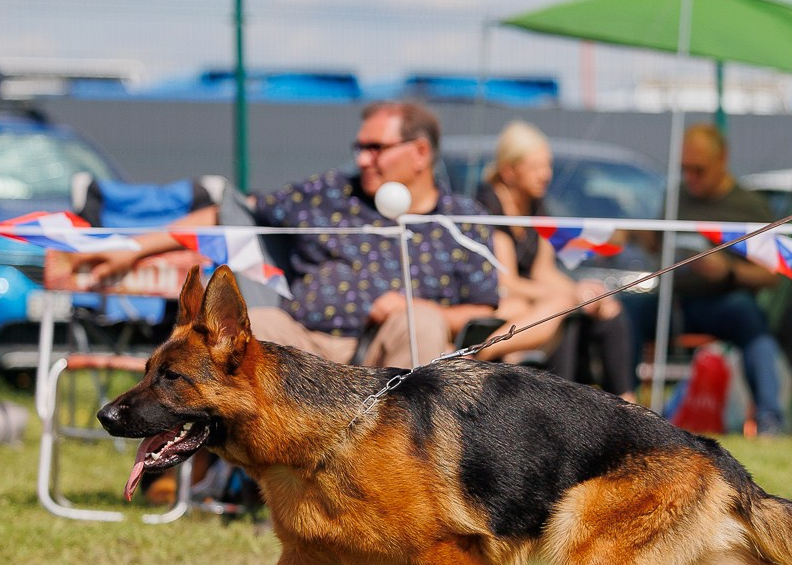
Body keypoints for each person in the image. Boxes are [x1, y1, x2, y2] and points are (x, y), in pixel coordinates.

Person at [74, 100, 500, 367]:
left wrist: (421, 310)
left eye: (376, 148)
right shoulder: (330, 192)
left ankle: (410, 479)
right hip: (304, 348)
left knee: (420, 321)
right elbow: (228, 213)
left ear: (420, 152)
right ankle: (242, 482)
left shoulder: (462, 219)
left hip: (389, 353)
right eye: (360, 148)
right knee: (252, 325)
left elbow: (483, 310)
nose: (364, 159)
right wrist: (133, 248)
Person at [620, 123, 789, 435]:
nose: (691, 179)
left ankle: (769, 419)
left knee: (750, 318)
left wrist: (727, 270)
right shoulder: (677, 195)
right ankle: (625, 409)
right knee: (623, 309)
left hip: (724, 303)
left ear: (722, 159)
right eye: (685, 169)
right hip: (675, 301)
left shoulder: (749, 206)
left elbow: (772, 276)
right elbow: (658, 243)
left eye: (699, 170)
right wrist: (639, 236)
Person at [473, 120, 635, 397]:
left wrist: (587, 292)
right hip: (499, 299)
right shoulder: (489, 208)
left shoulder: (536, 205)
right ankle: (487, 354)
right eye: (536, 167)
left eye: (547, 166)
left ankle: (628, 403)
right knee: (564, 308)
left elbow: (544, 271)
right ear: (509, 171)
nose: (546, 175)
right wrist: (572, 295)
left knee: (609, 311)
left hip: (533, 303)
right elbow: (506, 281)